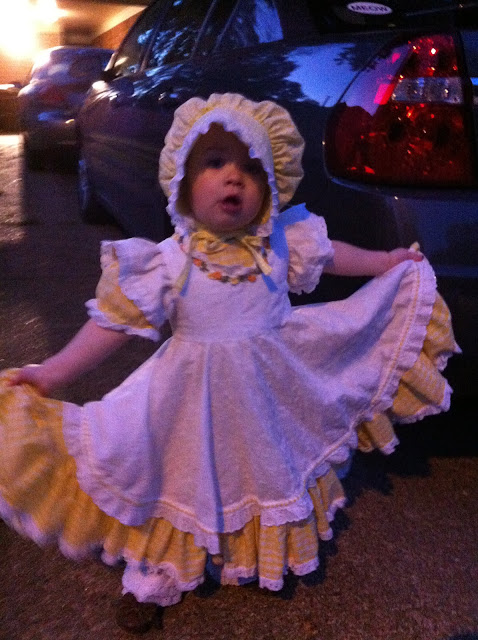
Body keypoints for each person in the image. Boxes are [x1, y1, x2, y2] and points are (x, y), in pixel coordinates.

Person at [0, 93, 459, 634]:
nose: (234, 178)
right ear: (181, 180)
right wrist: (53, 371)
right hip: (189, 402)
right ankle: (156, 570)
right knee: (176, 478)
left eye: (251, 167)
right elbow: (112, 325)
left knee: (264, 468)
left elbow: (335, 254)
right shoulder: (168, 261)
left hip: (270, 393)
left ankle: (256, 551)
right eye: (214, 162)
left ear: (272, 183)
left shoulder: (281, 243)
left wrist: (385, 262)